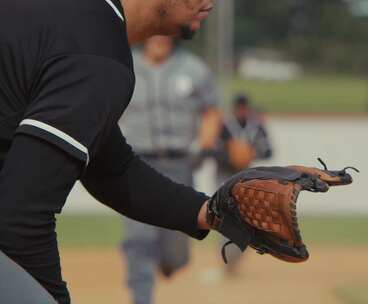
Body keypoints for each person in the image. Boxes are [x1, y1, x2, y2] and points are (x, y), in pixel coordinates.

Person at [0, 0, 215, 303]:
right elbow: (20, 218)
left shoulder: (78, 21)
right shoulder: (96, 50)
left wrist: (216, 211)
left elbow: (112, 169)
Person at [119, 35, 220, 304]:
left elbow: (211, 111)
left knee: (176, 252)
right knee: (139, 238)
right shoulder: (124, 64)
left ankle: (170, 260)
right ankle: (142, 298)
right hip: (135, 162)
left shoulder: (194, 68)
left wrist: (205, 146)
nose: (160, 38)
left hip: (178, 164)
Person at [213, 94, 273, 275]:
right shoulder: (224, 125)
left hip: (246, 176)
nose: (241, 112)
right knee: (225, 217)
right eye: (239, 109)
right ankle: (227, 263)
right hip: (224, 175)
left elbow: (268, 151)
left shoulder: (256, 126)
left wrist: (250, 153)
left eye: (244, 109)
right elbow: (213, 151)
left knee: (246, 219)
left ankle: (235, 261)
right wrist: (231, 155)